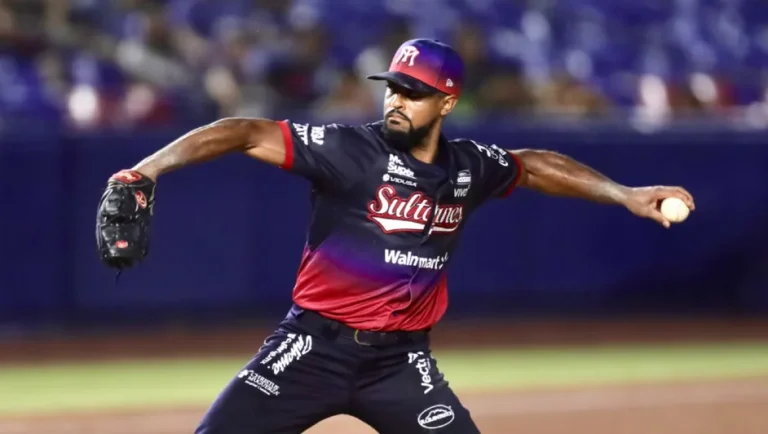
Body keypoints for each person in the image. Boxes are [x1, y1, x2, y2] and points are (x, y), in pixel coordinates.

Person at [95, 39, 695, 433]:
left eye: (414, 92)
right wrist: (145, 171)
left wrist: (624, 193)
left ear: (447, 102)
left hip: (400, 363)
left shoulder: (468, 167)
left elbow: (533, 165)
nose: (396, 99)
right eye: (393, 86)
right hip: (311, 349)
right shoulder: (349, 150)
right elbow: (243, 131)